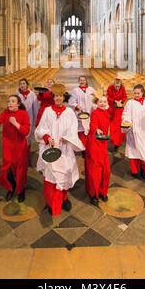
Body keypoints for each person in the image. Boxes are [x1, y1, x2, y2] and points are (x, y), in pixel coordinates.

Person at [35, 83, 85, 216]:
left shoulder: (69, 112)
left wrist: (68, 137)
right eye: (56, 95)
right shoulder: (47, 111)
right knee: (51, 177)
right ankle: (51, 202)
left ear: (64, 97)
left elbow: (73, 129)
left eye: (60, 96)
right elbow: (41, 128)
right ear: (53, 97)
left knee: (65, 173)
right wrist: (46, 137)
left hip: (65, 149)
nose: (58, 98)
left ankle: (64, 197)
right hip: (51, 149)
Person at [0, 95, 31, 202]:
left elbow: (26, 131)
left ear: (18, 104)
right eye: (9, 101)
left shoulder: (23, 114)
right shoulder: (6, 112)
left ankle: (21, 191)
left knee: (20, 172)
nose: (9, 103)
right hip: (8, 147)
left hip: (20, 147)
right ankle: (11, 188)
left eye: (13, 101)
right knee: (6, 172)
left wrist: (15, 123)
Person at [85, 94, 111, 206]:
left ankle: (102, 191)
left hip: (103, 143)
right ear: (97, 103)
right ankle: (93, 194)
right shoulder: (95, 113)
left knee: (106, 171)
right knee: (95, 170)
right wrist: (97, 129)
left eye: (104, 102)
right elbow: (93, 125)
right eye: (100, 102)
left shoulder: (107, 113)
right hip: (95, 142)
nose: (103, 104)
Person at [68, 75, 96, 148]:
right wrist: (76, 106)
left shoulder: (91, 89)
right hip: (80, 113)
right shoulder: (75, 90)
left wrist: (94, 106)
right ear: (78, 81)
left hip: (90, 112)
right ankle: (82, 146)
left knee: (90, 128)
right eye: (80, 80)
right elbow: (71, 101)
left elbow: (95, 100)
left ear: (86, 81)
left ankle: (89, 146)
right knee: (82, 130)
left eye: (83, 80)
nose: (82, 81)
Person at [107, 78, 127, 152]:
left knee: (120, 127)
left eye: (118, 86)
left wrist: (121, 101)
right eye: (116, 86)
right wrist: (114, 101)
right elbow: (108, 97)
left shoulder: (122, 88)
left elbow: (125, 96)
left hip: (120, 109)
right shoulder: (110, 88)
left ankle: (119, 142)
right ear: (114, 84)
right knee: (113, 127)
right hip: (112, 109)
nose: (117, 88)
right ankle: (114, 142)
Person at [16, 79, 39, 145]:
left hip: (30, 117)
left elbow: (35, 107)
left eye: (24, 84)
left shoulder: (32, 94)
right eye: (20, 84)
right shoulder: (17, 94)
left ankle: (27, 150)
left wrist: (36, 119)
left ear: (27, 85)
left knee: (29, 135)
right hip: (20, 118)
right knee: (20, 135)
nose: (22, 85)